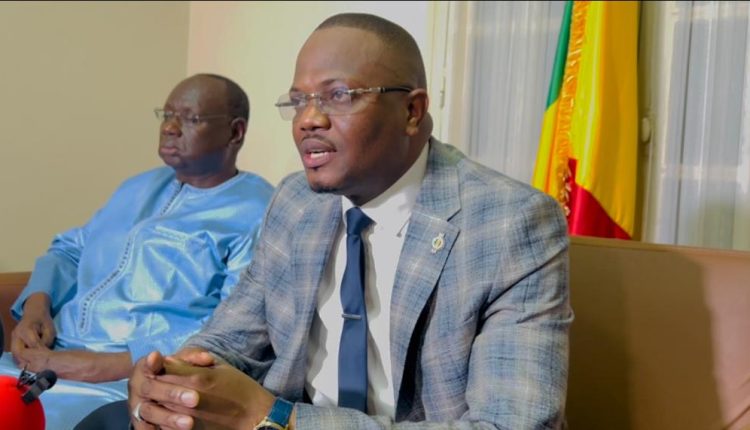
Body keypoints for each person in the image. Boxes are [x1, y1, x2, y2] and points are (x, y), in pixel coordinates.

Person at [122, 13, 572, 430]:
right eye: (299, 101)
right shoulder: (296, 202)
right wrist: (171, 379)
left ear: (412, 112)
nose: (308, 120)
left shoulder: (510, 224)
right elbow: (230, 340)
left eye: (338, 96)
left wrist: (280, 420)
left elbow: (512, 425)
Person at [0, 73, 274, 428]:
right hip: (40, 360)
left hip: (124, 385)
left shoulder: (258, 212)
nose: (170, 128)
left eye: (190, 119)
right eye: (167, 115)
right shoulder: (138, 186)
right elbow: (70, 250)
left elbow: (233, 330)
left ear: (235, 132)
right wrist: (36, 309)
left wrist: (99, 366)